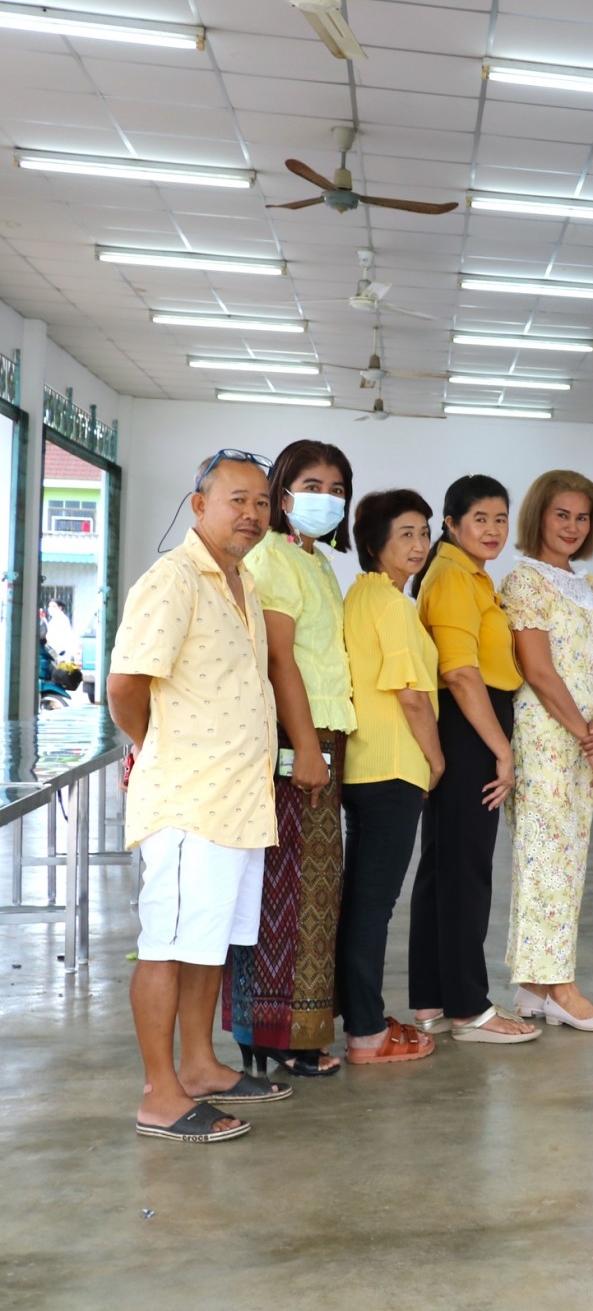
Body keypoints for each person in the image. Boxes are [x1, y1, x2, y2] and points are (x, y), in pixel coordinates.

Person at [109, 449, 293, 1142]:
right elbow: (127, 687)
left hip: (239, 801)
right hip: (190, 800)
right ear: (199, 505)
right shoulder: (174, 579)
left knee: (205, 943)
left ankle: (199, 1065)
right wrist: (158, 748)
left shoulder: (240, 581)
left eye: (261, 503)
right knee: (167, 943)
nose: (251, 514)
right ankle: (160, 1093)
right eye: (236, 499)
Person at [225, 439, 355, 1078]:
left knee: (314, 892)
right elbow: (281, 660)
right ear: (281, 492)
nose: (324, 499)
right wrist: (304, 746)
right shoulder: (273, 557)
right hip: (296, 740)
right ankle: (274, 1033)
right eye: (311, 484)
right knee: (286, 891)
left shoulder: (319, 562)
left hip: (326, 736)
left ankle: (290, 1031)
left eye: (336, 489)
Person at [412, 476, 537, 1044]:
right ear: (452, 523)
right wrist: (502, 749)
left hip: (470, 725)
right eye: (480, 519)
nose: (492, 530)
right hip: (471, 726)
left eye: (501, 519)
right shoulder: (455, 578)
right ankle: (469, 1009)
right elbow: (461, 674)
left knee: (444, 866)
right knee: (466, 871)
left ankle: (432, 999)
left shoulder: (467, 574)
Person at [502, 470, 593, 1032]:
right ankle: (559, 986)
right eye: (561, 515)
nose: (573, 527)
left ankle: (531, 987)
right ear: (539, 517)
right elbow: (540, 673)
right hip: (546, 736)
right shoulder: (524, 582)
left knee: (568, 860)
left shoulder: (589, 586)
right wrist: (582, 734)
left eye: (583, 517)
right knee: (544, 859)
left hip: (583, 733)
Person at [335, 490, 442, 1066]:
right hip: (395, 767)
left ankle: (363, 1017)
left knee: (363, 902)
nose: (419, 544)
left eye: (423, 533)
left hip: (361, 765)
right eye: (405, 534)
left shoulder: (361, 597)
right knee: (374, 905)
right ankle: (367, 1034)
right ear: (374, 542)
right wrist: (437, 759)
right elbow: (412, 696)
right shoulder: (397, 607)